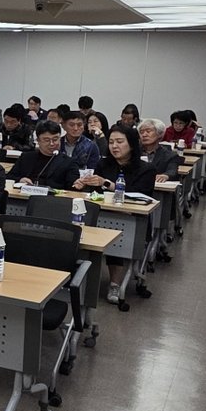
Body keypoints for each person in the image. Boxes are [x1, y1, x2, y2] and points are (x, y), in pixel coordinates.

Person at [74, 124, 157, 303]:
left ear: (132, 144)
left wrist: (108, 184)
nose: (114, 146)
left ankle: (115, 284)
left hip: (132, 219)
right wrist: (84, 185)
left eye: (119, 142)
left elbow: (141, 195)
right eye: (111, 142)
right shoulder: (103, 164)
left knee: (117, 231)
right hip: (102, 215)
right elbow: (95, 193)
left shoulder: (147, 169)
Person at [10, 120, 78, 189]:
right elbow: (10, 177)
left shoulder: (69, 162)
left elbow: (73, 186)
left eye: (55, 139)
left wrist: (78, 185)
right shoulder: (26, 157)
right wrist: (20, 180)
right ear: (38, 141)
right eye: (47, 140)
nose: (52, 144)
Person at [138, 118, 182, 183]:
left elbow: (172, 171)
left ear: (159, 134)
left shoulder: (170, 156)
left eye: (148, 131)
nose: (144, 135)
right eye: (141, 132)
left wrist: (166, 175)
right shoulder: (132, 152)